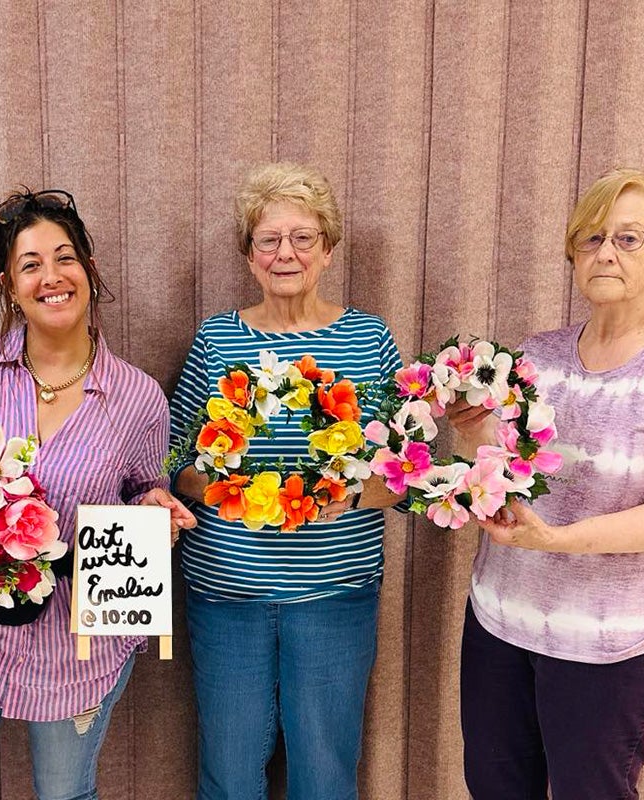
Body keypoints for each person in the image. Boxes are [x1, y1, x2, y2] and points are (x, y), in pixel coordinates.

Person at [0, 188, 195, 800]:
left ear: (90, 269)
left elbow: (145, 489)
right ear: (9, 284)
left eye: (65, 257)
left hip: (80, 645)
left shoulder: (137, 397)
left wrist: (156, 509)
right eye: (30, 264)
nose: (51, 277)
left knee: (64, 795)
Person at [448, 168, 644, 799]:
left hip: (613, 644)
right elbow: (507, 471)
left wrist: (557, 541)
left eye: (629, 238)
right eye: (591, 238)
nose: (606, 252)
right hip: (501, 623)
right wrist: (469, 435)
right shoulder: (538, 355)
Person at [169, 162, 403, 800]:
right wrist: (227, 494)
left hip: (335, 593)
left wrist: (346, 495)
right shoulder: (218, 339)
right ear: (248, 256)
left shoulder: (369, 338)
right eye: (268, 240)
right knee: (230, 773)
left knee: (326, 775)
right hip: (227, 593)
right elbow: (175, 456)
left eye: (303, 237)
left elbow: (407, 471)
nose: (286, 254)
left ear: (329, 250)